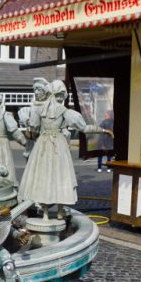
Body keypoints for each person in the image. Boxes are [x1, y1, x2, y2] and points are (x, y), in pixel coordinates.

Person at [19, 79, 111, 220]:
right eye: (61, 95)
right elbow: (84, 128)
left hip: (43, 145)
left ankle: (45, 213)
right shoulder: (65, 112)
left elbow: (32, 132)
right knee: (60, 176)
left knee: (44, 177)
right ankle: (60, 211)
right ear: (60, 95)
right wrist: (103, 130)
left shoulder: (40, 110)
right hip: (58, 146)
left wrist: (26, 122)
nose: (61, 98)